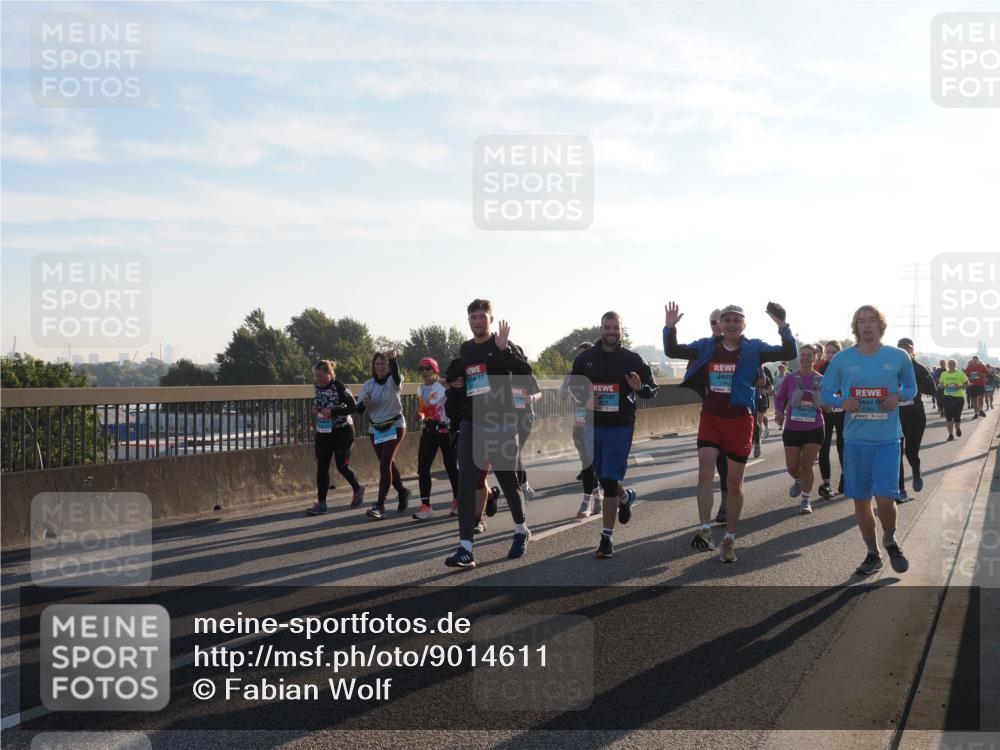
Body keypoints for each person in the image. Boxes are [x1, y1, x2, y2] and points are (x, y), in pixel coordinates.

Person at [665, 300, 798, 563]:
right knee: (705, 472)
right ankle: (705, 530)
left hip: (739, 420)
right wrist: (670, 328)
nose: (732, 324)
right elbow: (673, 351)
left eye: (737, 320)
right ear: (720, 325)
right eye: (727, 320)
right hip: (711, 417)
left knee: (734, 483)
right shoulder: (706, 346)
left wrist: (783, 325)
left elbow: (788, 349)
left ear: (744, 324)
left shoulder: (754, 348)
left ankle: (729, 538)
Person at [820, 305, 917, 576]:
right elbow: (825, 392)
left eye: (872, 319)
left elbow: (912, 388)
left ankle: (890, 539)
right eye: (861, 321)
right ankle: (872, 553)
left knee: (885, 499)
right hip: (855, 440)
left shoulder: (898, 357)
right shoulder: (842, 359)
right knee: (861, 500)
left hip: (887, 439)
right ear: (856, 327)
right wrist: (842, 401)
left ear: (880, 325)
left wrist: (897, 396)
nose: (867, 325)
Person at [445, 299, 533, 569]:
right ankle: (465, 549)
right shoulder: (467, 349)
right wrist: (454, 380)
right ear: (468, 321)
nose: (477, 321)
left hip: (502, 423)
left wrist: (504, 351)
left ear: (491, 320)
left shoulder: (505, 344)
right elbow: (461, 373)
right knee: (466, 485)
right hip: (472, 424)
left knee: (507, 483)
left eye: (482, 316)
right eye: (473, 317)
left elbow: (525, 373)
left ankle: (521, 530)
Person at [570, 311, 657, 558]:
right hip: (592, 425)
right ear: (601, 329)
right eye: (607, 327)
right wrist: (584, 400)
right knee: (602, 477)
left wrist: (640, 388)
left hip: (620, 424)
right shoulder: (585, 359)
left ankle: (606, 537)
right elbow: (574, 387)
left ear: (621, 329)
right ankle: (625, 496)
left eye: (615, 328)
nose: (611, 332)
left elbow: (652, 389)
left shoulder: (632, 359)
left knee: (607, 479)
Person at [356, 350, 411, 519]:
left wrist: (393, 359)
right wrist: (365, 404)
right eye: (377, 364)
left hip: (394, 425)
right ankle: (402, 491)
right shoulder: (368, 385)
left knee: (385, 462)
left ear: (388, 366)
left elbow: (396, 375)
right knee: (388, 464)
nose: (380, 367)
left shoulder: (393, 381)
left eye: (384, 363)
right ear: (374, 366)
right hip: (376, 428)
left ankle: (380, 504)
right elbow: (358, 411)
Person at [307, 360, 364, 515]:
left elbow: (353, 406)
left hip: (343, 431)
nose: (319, 379)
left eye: (321, 376)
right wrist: (317, 409)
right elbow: (320, 403)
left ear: (330, 374)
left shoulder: (340, 386)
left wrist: (332, 411)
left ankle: (358, 489)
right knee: (322, 466)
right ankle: (322, 503)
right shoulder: (317, 386)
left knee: (341, 466)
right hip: (324, 431)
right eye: (316, 376)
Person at [773, 345, 825, 514]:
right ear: (799, 357)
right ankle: (798, 479)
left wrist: (828, 404)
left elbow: (828, 400)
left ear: (815, 358)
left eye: (809, 355)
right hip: (792, 428)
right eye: (803, 355)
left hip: (814, 427)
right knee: (792, 467)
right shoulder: (790, 379)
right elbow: (779, 397)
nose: (805, 358)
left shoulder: (821, 379)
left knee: (806, 465)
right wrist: (779, 411)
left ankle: (806, 500)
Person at [411, 357, 459, 521]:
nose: (424, 372)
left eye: (427, 368)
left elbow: (458, 393)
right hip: (430, 430)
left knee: (452, 467)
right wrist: (420, 415)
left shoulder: (444, 386)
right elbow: (425, 410)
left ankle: (458, 501)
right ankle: (426, 506)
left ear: (435, 370)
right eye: (421, 369)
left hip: (447, 431)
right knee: (423, 468)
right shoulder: (420, 389)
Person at [561, 342, 604, 518]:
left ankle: (586, 501)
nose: (583, 359)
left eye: (586, 355)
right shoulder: (571, 376)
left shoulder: (598, 376)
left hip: (593, 425)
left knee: (589, 465)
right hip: (577, 426)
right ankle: (598, 497)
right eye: (580, 355)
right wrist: (565, 386)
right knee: (586, 464)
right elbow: (561, 397)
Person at [895, 339, 937, 502]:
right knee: (896, 453)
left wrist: (912, 386)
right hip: (895, 415)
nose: (904, 350)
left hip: (915, 415)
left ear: (913, 350)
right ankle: (900, 489)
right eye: (900, 348)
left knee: (911, 452)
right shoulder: (890, 368)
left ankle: (916, 472)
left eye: (907, 348)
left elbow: (932, 390)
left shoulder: (919, 368)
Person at [815, 341, 846, 499]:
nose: (831, 354)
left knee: (843, 447)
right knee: (824, 447)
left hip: (843, 412)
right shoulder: (821, 368)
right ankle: (826, 484)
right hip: (826, 412)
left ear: (840, 353)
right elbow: (816, 389)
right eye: (828, 351)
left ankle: (845, 477)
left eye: (834, 352)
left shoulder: (847, 368)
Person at [512, 374, 542, 497]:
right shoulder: (504, 375)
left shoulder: (528, 376)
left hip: (525, 417)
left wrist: (532, 397)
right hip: (508, 418)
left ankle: (524, 487)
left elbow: (539, 393)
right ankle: (521, 487)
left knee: (515, 451)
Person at [937, 360, 969, 440]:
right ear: (947, 365)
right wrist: (943, 385)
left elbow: (967, 384)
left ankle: (957, 428)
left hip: (958, 398)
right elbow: (940, 385)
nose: (951, 365)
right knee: (948, 417)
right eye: (950, 364)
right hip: (947, 397)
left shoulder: (960, 374)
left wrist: (959, 386)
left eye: (953, 364)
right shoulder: (944, 374)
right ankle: (950, 435)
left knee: (957, 417)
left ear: (956, 365)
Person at [752, 366, 774, 457]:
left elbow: (771, 389)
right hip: (750, 399)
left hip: (761, 400)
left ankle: (757, 442)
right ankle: (754, 439)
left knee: (758, 421)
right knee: (752, 422)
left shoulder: (764, 376)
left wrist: (764, 390)